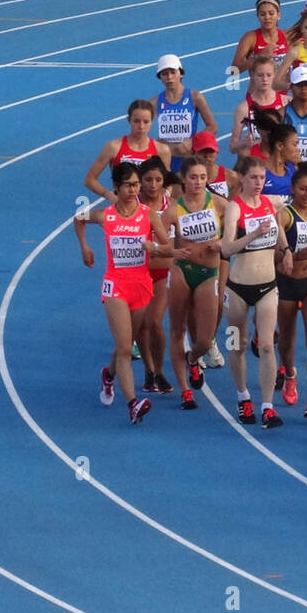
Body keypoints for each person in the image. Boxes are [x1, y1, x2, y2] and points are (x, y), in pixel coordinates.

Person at [74, 161, 174, 425]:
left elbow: (167, 246)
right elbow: (79, 219)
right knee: (124, 348)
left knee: (125, 344)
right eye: (128, 185)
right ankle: (133, 404)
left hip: (141, 285)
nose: (134, 190)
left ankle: (108, 375)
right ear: (116, 187)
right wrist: (84, 247)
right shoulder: (105, 215)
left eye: (136, 185)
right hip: (115, 286)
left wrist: (154, 247)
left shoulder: (148, 215)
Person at [220, 156, 288, 429]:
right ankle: (243, 396)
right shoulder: (234, 208)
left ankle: (268, 407)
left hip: (267, 286)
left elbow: (278, 226)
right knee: (237, 345)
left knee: (268, 345)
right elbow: (226, 249)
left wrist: (286, 249)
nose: (258, 183)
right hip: (237, 287)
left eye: (262, 178)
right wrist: (253, 234)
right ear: (242, 179)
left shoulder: (270, 203)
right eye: (253, 178)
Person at [165, 157, 227, 409]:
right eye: (193, 177)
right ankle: (185, 390)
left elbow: (236, 228)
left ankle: (192, 358)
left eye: (202, 177)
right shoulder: (173, 210)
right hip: (182, 271)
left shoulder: (219, 204)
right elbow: (159, 242)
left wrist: (223, 242)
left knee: (204, 340)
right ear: (183, 179)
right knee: (177, 330)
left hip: (208, 273)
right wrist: (173, 251)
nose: (198, 182)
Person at [275, 163, 307, 412]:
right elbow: (274, 256)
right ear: (293, 189)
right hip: (287, 282)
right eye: (303, 189)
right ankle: (290, 374)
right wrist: (295, 256)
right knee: (286, 341)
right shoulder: (285, 216)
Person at [137, 156, 180, 397]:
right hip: (137, 272)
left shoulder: (172, 206)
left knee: (154, 322)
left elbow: (178, 242)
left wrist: (159, 249)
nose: (153, 185)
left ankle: (160, 370)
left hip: (164, 273)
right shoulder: (131, 206)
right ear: (140, 181)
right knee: (141, 325)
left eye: (157, 180)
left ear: (164, 181)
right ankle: (149, 369)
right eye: (148, 180)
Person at [83, 100, 171, 202]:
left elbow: (168, 182)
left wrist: (165, 197)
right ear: (129, 120)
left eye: (146, 122)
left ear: (152, 121)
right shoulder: (114, 147)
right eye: (136, 121)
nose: (141, 126)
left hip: (149, 208)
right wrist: (110, 196)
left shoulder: (162, 150)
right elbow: (89, 179)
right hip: (122, 207)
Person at [151, 54, 218, 173]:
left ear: (181, 73)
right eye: (164, 74)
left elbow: (212, 126)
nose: (169, 77)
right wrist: (157, 144)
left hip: (189, 157)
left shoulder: (195, 97)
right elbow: (142, 129)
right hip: (166, 158)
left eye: (173, 72)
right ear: (160, 77)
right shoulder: (154, 102)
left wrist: (193, 141)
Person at [229, 54, 287, 154]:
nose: (265, 79)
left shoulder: (286, 102)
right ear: (252, 75)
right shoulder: (244, 108)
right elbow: (232, 147)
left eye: (269, 75)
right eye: (260, 75)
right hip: (258, 159)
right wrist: (244, 143)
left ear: (274, 75)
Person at [232, 0, 289, 75]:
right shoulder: (250, 38)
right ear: (258, 16)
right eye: (262, 14)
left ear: (278, 15)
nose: (267, 17)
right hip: (259, 83)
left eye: (271, 13)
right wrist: (259, 56)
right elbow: (233, 71)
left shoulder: (287, 36)